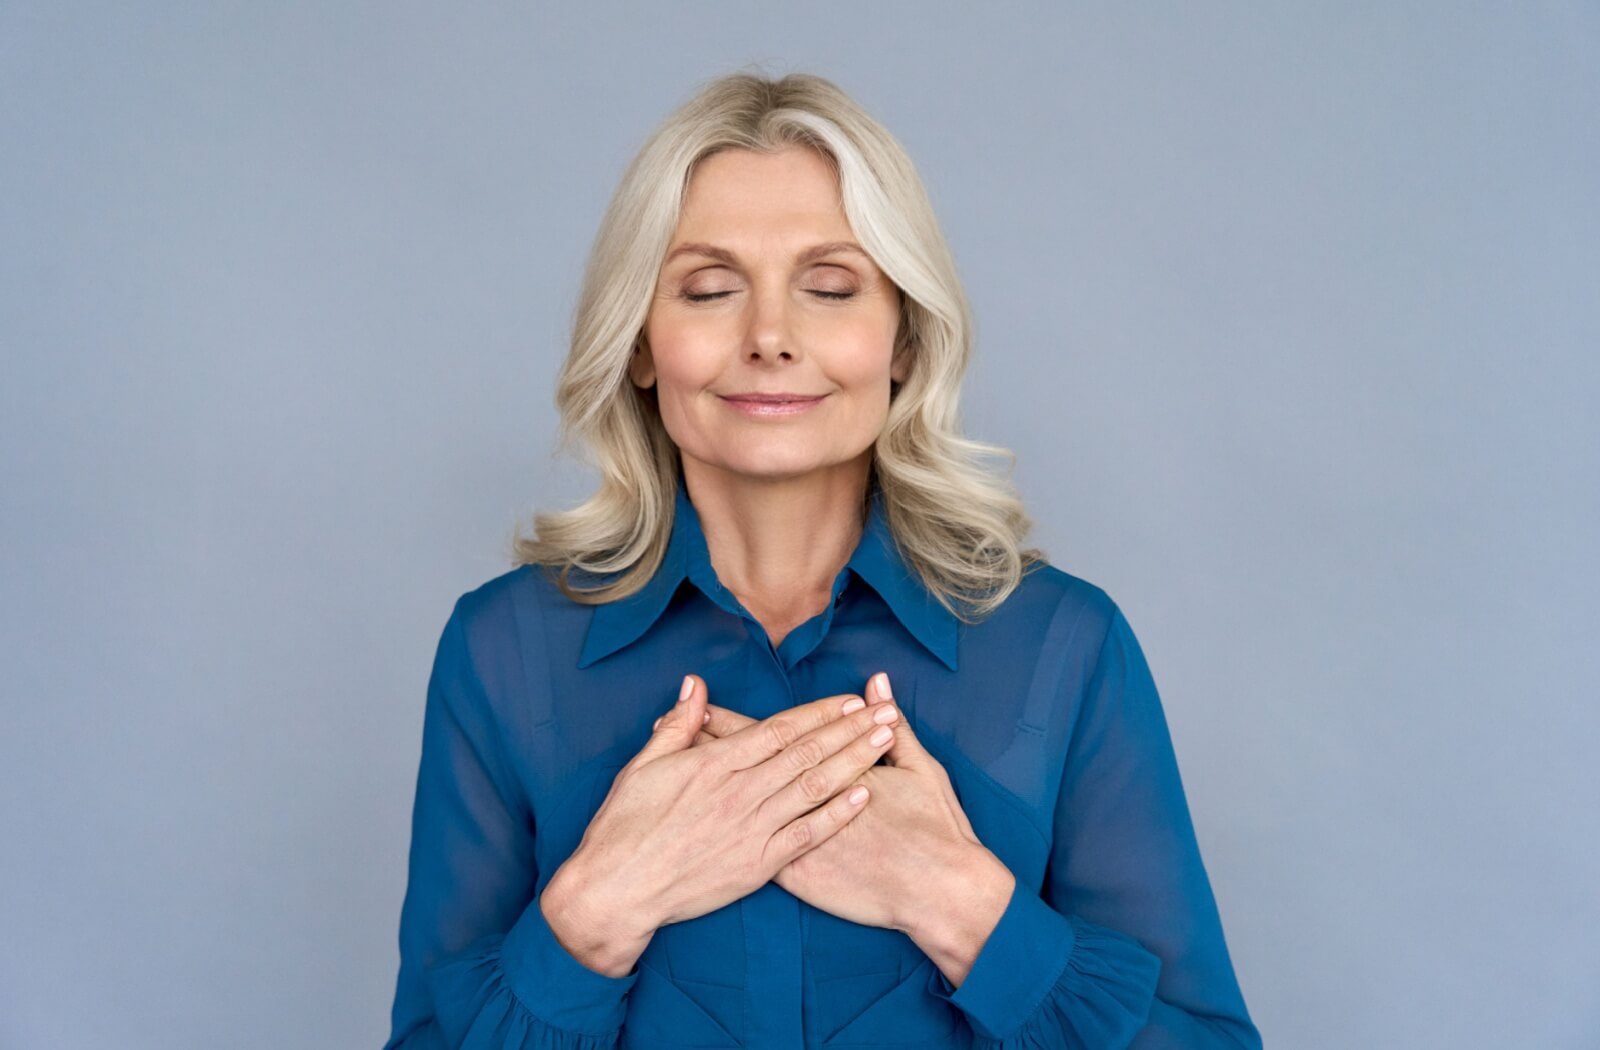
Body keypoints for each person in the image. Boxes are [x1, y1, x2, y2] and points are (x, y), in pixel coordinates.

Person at [381, 70, 1262, 1050]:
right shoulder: (503, 653)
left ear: (903, 339)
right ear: (638, 343)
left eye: (831, 287)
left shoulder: (1063, 645)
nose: (769, 339)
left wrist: (960, 902)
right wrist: (600, 904)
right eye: (710, 289)